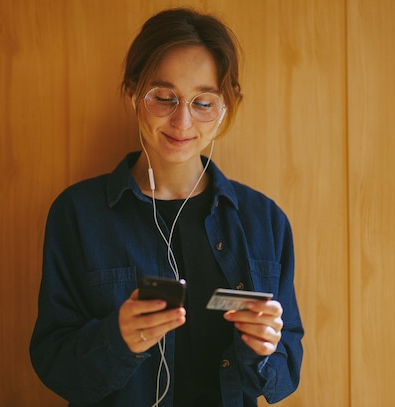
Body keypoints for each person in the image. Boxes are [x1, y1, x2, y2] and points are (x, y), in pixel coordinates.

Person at [30, 7, 304, 407]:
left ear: (226, 107)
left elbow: (284, 375)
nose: (182, 121)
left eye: (203, 103)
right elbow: (53, 362)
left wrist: (263, 352)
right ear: (131, 94)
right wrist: (116, 340)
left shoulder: (265, 221)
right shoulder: (78, 215)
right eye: (163, 97)